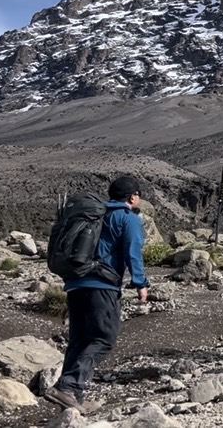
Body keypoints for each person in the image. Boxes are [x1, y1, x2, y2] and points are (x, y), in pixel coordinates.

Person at [44, 176, 150, 411]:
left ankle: (73, 400)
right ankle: (68, 387)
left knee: (80, 340)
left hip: (75, 283)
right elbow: (133, 252)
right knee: (103, 339)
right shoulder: (127, 218)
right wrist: (141, 283)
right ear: (132, 196)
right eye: (138, 194)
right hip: (102, 286)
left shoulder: (95, 215)